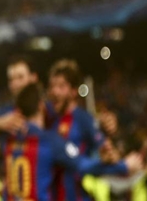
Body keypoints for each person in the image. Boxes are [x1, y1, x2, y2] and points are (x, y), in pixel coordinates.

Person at [0, 83, 142, 201]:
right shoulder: (49, 141)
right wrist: (124, 166)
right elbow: (82, 165)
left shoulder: (8, 141)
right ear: (41, 106)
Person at [47, 59, 110, 201]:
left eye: (61, 86)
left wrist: (110, 154)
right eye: (52, 86)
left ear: (73, 91)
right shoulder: (47, 118)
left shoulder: (84, 120)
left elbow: (105, 151)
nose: (54, 91)